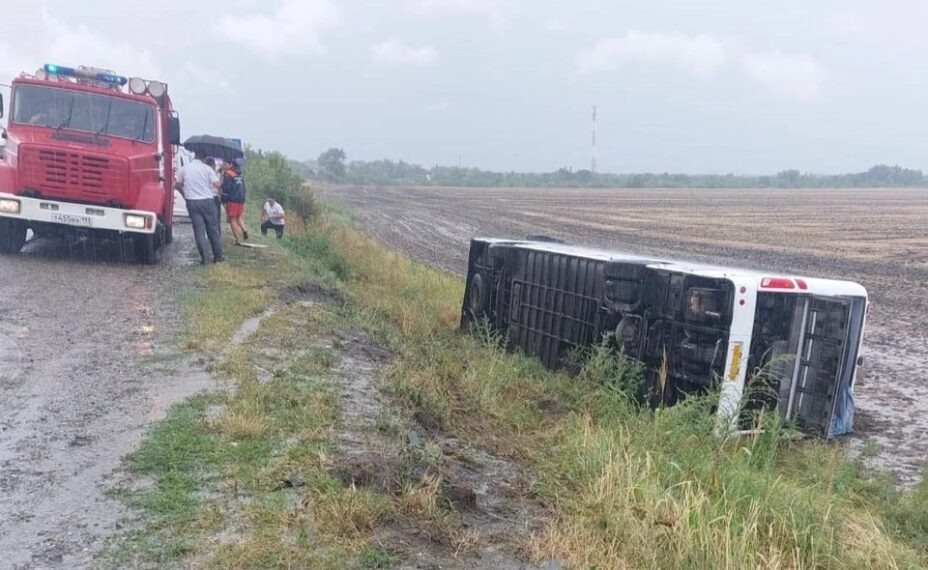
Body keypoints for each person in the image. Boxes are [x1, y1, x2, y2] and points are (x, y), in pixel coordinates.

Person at [176, 150, 224, 263]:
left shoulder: (185, 168)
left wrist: (185, 195)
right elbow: (217, 185)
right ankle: (218, 257)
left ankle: (204, 258)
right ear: (204, 157)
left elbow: (177, 184)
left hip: (192, 202)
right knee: (213, 229)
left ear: (195, 156)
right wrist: (221, 178)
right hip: (208, 201)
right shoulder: (207, 169)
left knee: (199, 231)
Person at [220, 160, 249, 244]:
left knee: (232, 219)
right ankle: (245, 230)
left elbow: (226, 189)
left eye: (225, 164)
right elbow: (244, 188)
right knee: (239, 217)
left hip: (232, 200)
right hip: (241, 200)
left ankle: (237, 239)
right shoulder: (240, 174)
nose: (223, 165)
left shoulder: (228, 174)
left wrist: (224, 200)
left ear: (230, 165)